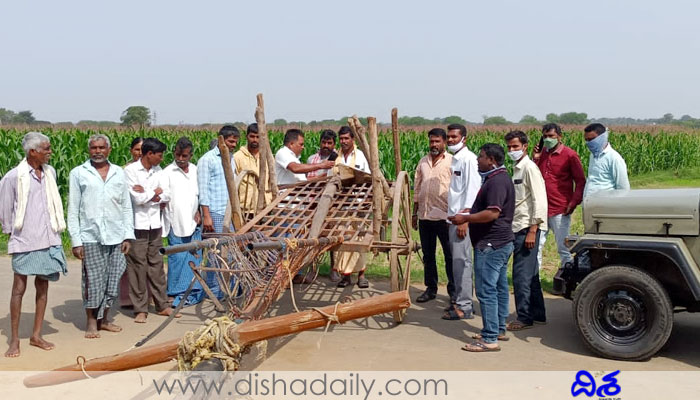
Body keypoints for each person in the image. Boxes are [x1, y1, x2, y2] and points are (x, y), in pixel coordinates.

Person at [0, 132, 68, 357]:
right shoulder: (13, 177)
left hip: (48, 238)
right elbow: (6, 212)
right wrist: (13, 236)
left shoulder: (50, 173)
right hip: (24, 239)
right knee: (18, 289)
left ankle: (36, 335)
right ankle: (14, 340)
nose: (50, 152)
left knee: (43, 286)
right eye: (46, 149)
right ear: (32, 152)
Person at [67, 134, 133, 338]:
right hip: (90, 236)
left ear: (109, 150)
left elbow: (126, 207)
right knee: (93, 281)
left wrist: (127, 236)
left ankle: (104, 320)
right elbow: (73, 209)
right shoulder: (79, 173)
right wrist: (76, 241)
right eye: (94, 148)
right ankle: (91, 322)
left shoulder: (118, 173)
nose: (97, 151)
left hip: (116, 235)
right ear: (89, 150)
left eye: (101, 148)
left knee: (112, 281)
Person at [450, 143, 514, 352]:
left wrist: (465, 218)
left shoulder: (496, 182)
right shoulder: (500, 178)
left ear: (492, 161)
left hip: (491, 243)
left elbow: (492, 213)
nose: (478, 160)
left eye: (482, 157)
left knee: (486, 291)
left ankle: (489, 339)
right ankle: (498, 329)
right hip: (500, 242)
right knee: (499, 287)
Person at [124, 137, 179, 323]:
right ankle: (140, 308)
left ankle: (162, 304)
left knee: (156, 265)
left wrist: (149, 193)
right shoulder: (130, 171)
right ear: (149, 154)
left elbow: (167, 195)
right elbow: (135, 199)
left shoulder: (159, 171)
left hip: (155, 224)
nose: (161, 158)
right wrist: (154, 192)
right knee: (137, 266)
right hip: (136, 226)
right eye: (159, 155)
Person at [504, 131, 548, 331]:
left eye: (515, 146)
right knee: (531, 274)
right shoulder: (516, 168)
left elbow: (540, 200)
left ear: (525, 147)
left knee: (521, 274)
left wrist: (533, 229)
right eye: (509, 147)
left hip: (526, 227)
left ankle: (524, 317)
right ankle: (537, 313)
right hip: (518, 224)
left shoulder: (530, 168)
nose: (512, 150)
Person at [533, 123, 586, 269]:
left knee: (563, 247)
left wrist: (573, 202)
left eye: (551, 136)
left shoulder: (570, 155)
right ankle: (534, 280)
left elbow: (580, 181)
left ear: (559, 137)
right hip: (542, 208)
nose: (548, 139)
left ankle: (567, 276)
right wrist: (536, 159)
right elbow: (534, 177)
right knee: (537, 247)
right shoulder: (541, 154)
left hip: (560, 208)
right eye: (545, 136)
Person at [442, 124, 481, 320]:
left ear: (464, 138)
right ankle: (459, 300)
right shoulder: (456, 160)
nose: (450, 140)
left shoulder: (469, 160)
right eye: (448, 137)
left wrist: (465, 219)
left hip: (462, 220)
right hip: (453, 218)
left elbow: (472, 191)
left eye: (454, 137)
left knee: (462, 262)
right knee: (457, 263)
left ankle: (464, 307)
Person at [162, 137, 205, 307]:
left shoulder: (196, 170)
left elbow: (202, 194)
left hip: (194, 222)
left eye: (184, 156)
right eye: (178, 155)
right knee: (176, 258)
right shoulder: (167, 172)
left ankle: (192, 291)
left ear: (191, 155)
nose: (180, 159)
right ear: (174, 153)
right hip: (175, 221)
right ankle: (173, 293)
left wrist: (200, 211)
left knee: (194, 256)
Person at [413, 128, 454, 304]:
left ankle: (454, 292)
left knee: (449, 255)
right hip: (425, 216)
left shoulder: (452, 162)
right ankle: (431, 288)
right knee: (428, 255)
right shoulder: (423, 162)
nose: (434, 145)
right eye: (431, 141)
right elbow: (417, 187)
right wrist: (415, 213)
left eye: (437, 141)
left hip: (444, 217)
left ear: (444, 142)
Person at [332, 126, 372, 287]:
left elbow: (367, 177)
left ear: (353, 139)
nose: (343, 141)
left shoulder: (360, 156)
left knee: (359, 238)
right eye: (341, 139)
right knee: (342, 238)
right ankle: (346, 276)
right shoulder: (337, 157)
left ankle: (361, 274)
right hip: (341, 203)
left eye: (346, 138)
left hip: (357, 202)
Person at [198, 125, 239, 233]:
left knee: (230, 247)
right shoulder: (207, 159)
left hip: (229, 212)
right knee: (216, 247)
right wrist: (206, 216)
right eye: (231, 141)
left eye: (235, 142)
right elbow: (203, 190)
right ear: (221, 140)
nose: (234, 145)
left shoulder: (231, 158)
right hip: (215, 212)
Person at [120, 136, 144, 308]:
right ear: (131, 151)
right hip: (127, 220)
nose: (139, 153)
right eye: (136, 150)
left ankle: (145, 296)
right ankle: (128, 298)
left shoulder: (153, 169)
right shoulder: (123, 171)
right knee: (129, 261)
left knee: (145, 261)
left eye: (143, 150)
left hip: (146, 220)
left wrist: (146, 192)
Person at [234, 123, 272, 217]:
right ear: (247, 137)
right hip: (246, 210)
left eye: (258, 137)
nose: (255, 140)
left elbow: (271, 181)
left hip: (265, 207)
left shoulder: (268, 157)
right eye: (252, 136)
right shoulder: (237, 157)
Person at [583, 123, 630, 198]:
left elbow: (623, 188)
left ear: (602, 137)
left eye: (592, 139)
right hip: (590, 204)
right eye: (587, 140)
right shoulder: (592, 156)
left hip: (605, 204)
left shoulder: (614, 158)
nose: (589, 143)